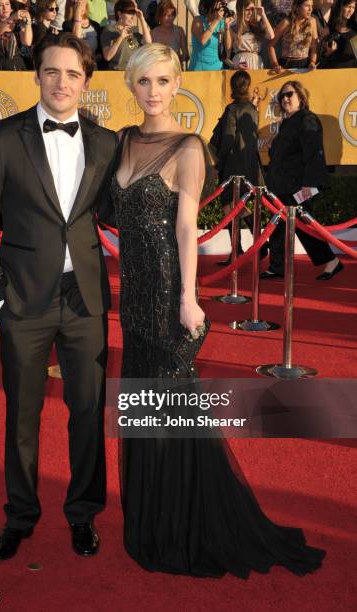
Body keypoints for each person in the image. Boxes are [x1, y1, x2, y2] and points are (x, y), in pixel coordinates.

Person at [110, 42, 325, 577]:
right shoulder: (121, 141)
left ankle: (182, 525)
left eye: (162, 81)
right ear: (131, 86)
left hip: (165, 294)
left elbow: (187, 228)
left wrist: (188, 299)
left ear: (177, 84)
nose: (153, 92)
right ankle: (150, 518)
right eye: (144, 82)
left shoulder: (187, 147)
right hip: (131, 296)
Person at [0, 33, 118, 561]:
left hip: (86, 301)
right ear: (36, 75)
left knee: (88, 411)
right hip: (23, 301)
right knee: (22, 415)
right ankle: (20, 517)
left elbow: (121, 214)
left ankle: (83, 514)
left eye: (72, 74)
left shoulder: (104, 143)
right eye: (52, 71)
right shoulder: (3, 138)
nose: (61, 82)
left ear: (86, 81)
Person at [262, 80, 343, 280]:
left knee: (304, 225)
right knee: (279, 226)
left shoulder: (307, 119)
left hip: (299, 184)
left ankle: (331, 261)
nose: (285, 99)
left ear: (301, 97)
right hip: (282, 185)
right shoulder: (288, 122)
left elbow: (314, 152)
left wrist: (309, 184)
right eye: (281, 96)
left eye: (289, 94)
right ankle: (277, 266)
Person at [210, 70, 268, 263]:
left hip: (233, 166)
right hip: (250, 165)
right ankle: (257, 244)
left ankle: (238, 250)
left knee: (229, 207)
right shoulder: (252, 109)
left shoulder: (232, 109)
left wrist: (219, 161)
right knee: (238, 206)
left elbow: (228, 138)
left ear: (233, 87)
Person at [268, 0, 318, 71]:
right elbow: (270, 45)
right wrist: (275, 65)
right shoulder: (286, 22)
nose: (310, 9)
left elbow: (314, 46)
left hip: (305, 64)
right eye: (307, 6)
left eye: (311, 6)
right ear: (297, 7)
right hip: (286, 64)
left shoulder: (312, 21)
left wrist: (312, 62)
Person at [101, 0, 152, 70]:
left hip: (133, 73)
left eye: (133, 13)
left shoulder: (133, 30)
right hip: (116, 73)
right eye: (129, 13)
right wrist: (120, 38)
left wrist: (141, 18)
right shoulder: (109, 30)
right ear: (119, 14)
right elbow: (107, 56)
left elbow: (148, 43)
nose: (132, 16)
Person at [0, 0, 33, 70]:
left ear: (11, 8)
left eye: (7, 4)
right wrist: (12, 17)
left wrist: (28, 21)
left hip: (17, 67)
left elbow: (27, 42)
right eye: (1, 5)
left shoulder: (19, 24)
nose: (5, 8)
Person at [228, 0, 274, 68]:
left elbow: (271, 36)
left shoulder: (257, 26)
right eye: (247, 10)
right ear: (241, 10)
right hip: (240, 62)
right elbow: (226, 56)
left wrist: (263, 15)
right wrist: (235, 65)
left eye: (252, 10)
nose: (250, 13)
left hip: (256, 62)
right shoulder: (232, 28)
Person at [188, 0, 233, 71]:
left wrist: (227, 28)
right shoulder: (198, 20)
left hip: (217, 69)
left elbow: (228, 47)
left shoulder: (221, 23)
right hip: (199, 70)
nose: (222, 5)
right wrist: (216, 20)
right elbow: (203, 41)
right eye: (220, 2)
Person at [64, 0, 106, 68]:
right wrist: (77, 16)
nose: (80, 6)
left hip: (92, 65)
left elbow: (100, 52)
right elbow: (75, 41)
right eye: (77, 3)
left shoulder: (95, 25)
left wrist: (94, 59)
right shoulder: (67, 25)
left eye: (82, 2)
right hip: (76, 64)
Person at [319, 0, 357, 68]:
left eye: (353, 7)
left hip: (350, 73)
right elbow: (318, 56)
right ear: (340, 7)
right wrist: (328, 53)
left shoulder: (354, 31)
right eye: (348, 7)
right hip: (332, 72)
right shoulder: (328, 30)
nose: (351, 10)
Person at [151, 0, 189, 65]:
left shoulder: (179, 31)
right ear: (160, 16)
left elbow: (186, 56)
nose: (169, 18)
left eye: (172, 15)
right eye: (165, 15)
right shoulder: (153, 33)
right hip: (158, 71)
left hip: (175, 70)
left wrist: (176, 58)